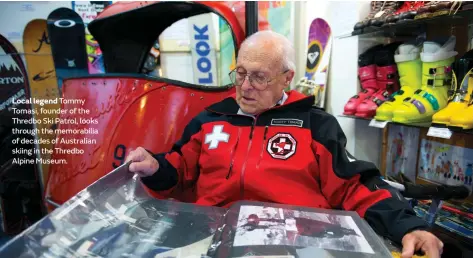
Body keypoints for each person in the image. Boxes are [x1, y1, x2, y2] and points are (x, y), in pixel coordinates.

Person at [125, 30, 443, 258]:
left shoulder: (315, 125)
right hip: (215, 239)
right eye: (240, 74)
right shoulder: (209, 120)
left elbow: (356, 187)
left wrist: (408, 227)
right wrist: (155, 166)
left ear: (287, 78)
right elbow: (178, 169)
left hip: (294, 244)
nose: (245, 87)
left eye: (259, 77)